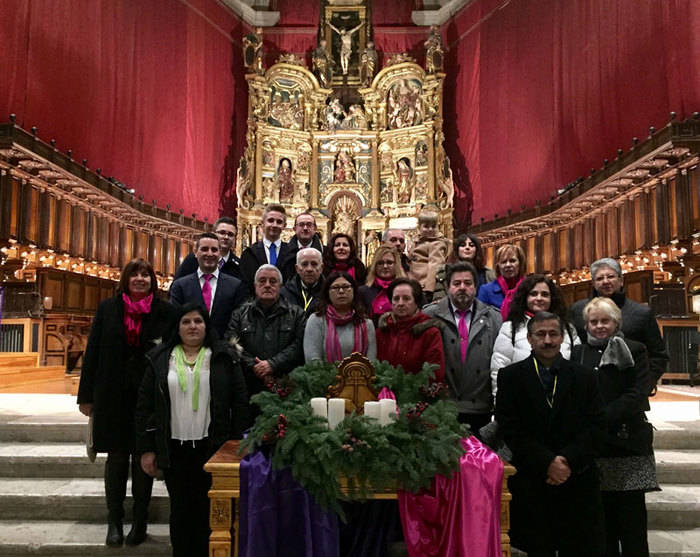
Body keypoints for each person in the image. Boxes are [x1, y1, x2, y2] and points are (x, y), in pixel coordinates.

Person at [136, 303, 249, 557]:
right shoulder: (161, 358)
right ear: (177, 327)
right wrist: (146, 449)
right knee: (180, 511)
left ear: (206, 326)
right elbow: (145, 407)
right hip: (174, 448)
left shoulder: (223, 356)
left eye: (198, 321)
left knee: (209, 512)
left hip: (212, 448)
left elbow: (240, 402)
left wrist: (235, 447)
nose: (193, 326)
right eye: (186, 322)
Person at [77, 259, 174, 547]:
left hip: (148, 397)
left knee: (144, 459)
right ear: (125, 279)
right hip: (112, 394)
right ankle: (114, 520)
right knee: (117, 459)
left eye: (146, 275)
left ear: (152, 281)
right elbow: (92, 351)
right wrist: (86, 396)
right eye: (135, 274)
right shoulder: (108, 309)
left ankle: (140, 520)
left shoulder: (164, 311)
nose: (140, 279)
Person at [496, 312, 605, 556]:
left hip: (576, 479)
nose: (547, 340)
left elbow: (596, 426)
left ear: (562, 338)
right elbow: (510, 427)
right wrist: (547, 462)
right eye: (541, 334)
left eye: (553, 334)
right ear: (529, 338)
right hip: (533, 479)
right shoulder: (510, 377)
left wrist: (566, 461)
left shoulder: (585, 377)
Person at [572, 297, 658, 557]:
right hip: (595, 449)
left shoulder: (636, 349)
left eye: (605, 321)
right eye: (593, 321)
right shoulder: (579, 353)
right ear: (586, 325)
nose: (599, 326)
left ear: (616, 322)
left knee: (632, 526)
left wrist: (601, 416)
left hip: (627, 444)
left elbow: (637, 393)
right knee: (602, 525)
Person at [423, 262, 502, 432]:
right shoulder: (429, 315)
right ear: (447, 286)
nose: (462, 288)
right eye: (456, 283)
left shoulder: (493, 318)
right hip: (442, 407)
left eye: (468, 283)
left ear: (476, 286)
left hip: (480, 407)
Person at [569, 257, 669, 386]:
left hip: (631, 388)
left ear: (621, 281)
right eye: (599, 278)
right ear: (593, 283)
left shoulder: (642, 313)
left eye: (610, 276)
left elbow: (658, 356)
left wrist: (645, 385)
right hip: (588, 389)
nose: (605, 281)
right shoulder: (578, 310)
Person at [490, 274, 580, 397]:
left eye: (545, 294)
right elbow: (499, 370)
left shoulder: (567, 328)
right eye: (533, 294)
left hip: (563, 400)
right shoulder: (510, 328)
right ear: (525, 297)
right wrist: (499, 401)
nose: (539, 298)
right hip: (522, 400)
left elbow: (578, 367)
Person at [226, 265, 306, 402]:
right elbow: (232, 344)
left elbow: (299, 345)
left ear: (281, 286)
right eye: (262, 281)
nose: (267, 285)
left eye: (273, 281)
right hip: (248, 386)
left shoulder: (297, 314)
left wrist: (273, 364)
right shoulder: (239, 314)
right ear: (255, 285)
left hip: (285, 386)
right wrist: (256, 367)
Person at [169, 232, 246, 340]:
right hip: (188, 348)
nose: (209, 254)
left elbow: (238, 324)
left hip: (222, 350)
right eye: (204, 249)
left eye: (214, 250)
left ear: (219, 254)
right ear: (195, 252)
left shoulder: (235, 286)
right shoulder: (180, 286)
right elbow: (174, 321)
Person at [376, 278, 445, 382]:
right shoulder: (382, 331)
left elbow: (435, 372)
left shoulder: (430, 333)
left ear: (416, 302)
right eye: (396, 299)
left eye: (406, 298)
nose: (400, 303)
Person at [304, 272, 376, 363]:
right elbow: (312, 358)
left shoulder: (366, 323)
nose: (341, 291)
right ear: (327, 292)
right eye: (335, 288)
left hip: (358, 376)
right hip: (323, 375)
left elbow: (371, 362)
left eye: (346, 287)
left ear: (354, 290)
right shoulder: (316, 320)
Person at [240, 204, 293, 293]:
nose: (274, 225)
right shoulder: (249, 253)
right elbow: (245, 285)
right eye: (270, 220)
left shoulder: (292, 253)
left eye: (279, 222)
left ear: (284, 225)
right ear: (262, 223)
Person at [173, 217, 241, 281]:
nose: (226, 237)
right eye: (222, 233)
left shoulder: (239, 266)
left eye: (230, 234)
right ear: (213, 233)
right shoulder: (194, 259)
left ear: (235, 238)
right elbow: (176, 287)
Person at [433, 233, 495, 302]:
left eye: (471, 245)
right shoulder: (444, 271)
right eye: (463, 245)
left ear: (477, 250)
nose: (467, 247)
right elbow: (439, 298)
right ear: (457, 250)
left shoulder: (487, 273)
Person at [408, 207, 450, 302]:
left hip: (424, 286)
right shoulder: (418, 241)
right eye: (426, 226)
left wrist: (429, 289)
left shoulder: (436, 243)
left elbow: (435, 265)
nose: (430, 229)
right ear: (419, 227)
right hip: (414, 282)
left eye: (433, 226)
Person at [359, 245, 406, 324]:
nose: (385, 266)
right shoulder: (363, 291)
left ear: (396, 265)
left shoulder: (408, 289)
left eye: (389, 263)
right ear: (374, 266)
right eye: (380, 263)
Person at [478, 243, 526, 319]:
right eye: (503, 262)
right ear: (498, 266)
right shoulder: (486, 290)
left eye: (512, 261)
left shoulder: (529, 288)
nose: (508, 265)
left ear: (520, 264)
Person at [280, 247, 324, 317]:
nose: (309, 269)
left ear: (321, 268)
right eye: (304, 264)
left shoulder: (329, 293)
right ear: (297, 269)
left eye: (314, 264)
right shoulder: (284, 294)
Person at [280, 211, 324, 281]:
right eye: (301, 225)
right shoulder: (283, 252)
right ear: (294, 229)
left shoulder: (325, 252)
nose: (305, 228)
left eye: (309, 225)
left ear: (315, 228)